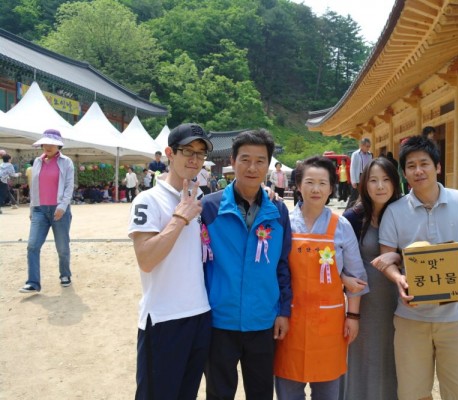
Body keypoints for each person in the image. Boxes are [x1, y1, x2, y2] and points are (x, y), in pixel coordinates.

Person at [377, 135, 458, 400]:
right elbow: (386, 257)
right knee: (413, 394)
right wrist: (398, 280)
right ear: (404, 173)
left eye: (424, 163)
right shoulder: (394, 211)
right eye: (411, 166)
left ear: (437, 167)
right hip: (411, 318)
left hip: (456, 316)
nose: (418, 171)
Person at [201, 129, 292, 400]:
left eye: (260, 161)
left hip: (263, 321)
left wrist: (283, 310)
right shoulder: (209, 208)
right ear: (232, 161)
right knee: (218, 393)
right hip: (219, 321)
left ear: (268, 165)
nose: (252, 168)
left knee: (261, 393)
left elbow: (283, 264)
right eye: (245, 159)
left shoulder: (278, 210)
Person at [127, 123, 213, 399]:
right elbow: (146, 259)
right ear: (169, 153)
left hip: (200, 314)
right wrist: (179, 218)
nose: (194, 159)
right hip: (164, 319)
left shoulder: (201, 199)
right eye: (188, 151)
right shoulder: (148, 200)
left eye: (200, 153)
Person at [274, 156, 368, 400]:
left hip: (329, 323)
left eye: (322, 183)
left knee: (328, 391)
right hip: (289, 320)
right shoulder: (284, 224)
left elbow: (356, 277)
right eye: (309, 182)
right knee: (289, 389)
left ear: (331, 188)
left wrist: (353, 316)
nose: (316, 189)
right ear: (298, 185)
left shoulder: (342, 225)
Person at [341, 158, 402, 400]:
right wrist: (344, 278)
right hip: (364, 302)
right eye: (373, 180)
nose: (380, 186)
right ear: (364, 184)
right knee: (362, 356)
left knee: (394, 355)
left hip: (399, 299)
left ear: (395, 182)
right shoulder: (353, 218)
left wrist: (397, 256)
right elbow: (335, 260)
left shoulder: (405, 213)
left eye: (386, 179)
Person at [19, 129, 75, 293]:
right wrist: (32, 208)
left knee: (62, 247)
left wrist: (62, 206)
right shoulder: (37, 162)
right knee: (32, 246)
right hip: (39, 210)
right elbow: (34, 187)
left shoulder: (66, 162)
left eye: (52, 144)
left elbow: (69, 186)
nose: (48, 147)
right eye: (45, 143)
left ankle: (65, 274)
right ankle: (33, 282)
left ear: (58, 145)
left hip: (60, 210)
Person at [347, 138, 372, 209]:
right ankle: (348, 211)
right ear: (362, 145)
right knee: (354, 196)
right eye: (367, 146)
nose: (368, 148)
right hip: (358, 176)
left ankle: (362, 209)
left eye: (369, 146)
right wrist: (353, 181)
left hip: (366, 176)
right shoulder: (355, 154)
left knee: (365, 194)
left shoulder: (370, 155)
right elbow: (353, 167)